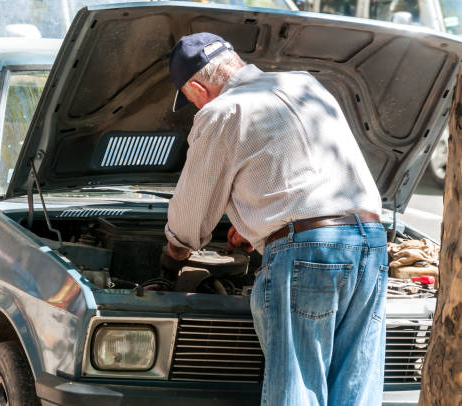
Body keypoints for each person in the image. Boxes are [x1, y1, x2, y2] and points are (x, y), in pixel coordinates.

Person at [164, 32, 388, 406]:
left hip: (308, 255)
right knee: (357, 393)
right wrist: (256, 225)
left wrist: (174, 253)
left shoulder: (223, 111)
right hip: (370, 243)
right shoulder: (305, 84)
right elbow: (298, 171)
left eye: (188, 100)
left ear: (198, 90)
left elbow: (191, 219)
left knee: (297, 393)